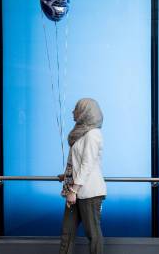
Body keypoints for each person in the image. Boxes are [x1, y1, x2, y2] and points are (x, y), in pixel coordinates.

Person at [58, 98, 107, 254]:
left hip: (89, 193)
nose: (73, 112)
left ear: (85, 112)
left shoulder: (93, 134)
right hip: (76, 190)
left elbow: (87, 164)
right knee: (67, 232)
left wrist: (73, 190)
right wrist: (66, 176)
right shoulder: (80, 133)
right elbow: (77, 162)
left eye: (76, 109)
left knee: (93, 235)